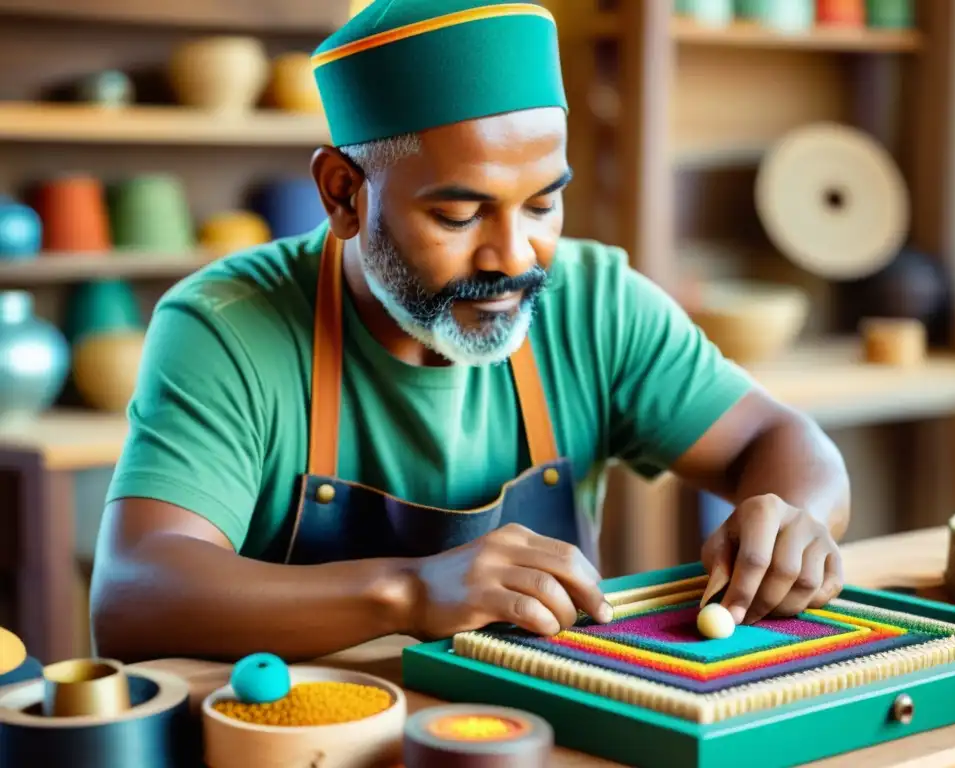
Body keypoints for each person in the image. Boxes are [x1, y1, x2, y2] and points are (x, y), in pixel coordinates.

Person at [89, 0, 850, 664]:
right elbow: (134, 594)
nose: (514, 257)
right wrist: (407, 592)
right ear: (343, 194)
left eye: (544, 205)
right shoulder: (227, 327)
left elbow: (780, 440)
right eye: (458, 215)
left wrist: (793, 522)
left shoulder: (594, 302)